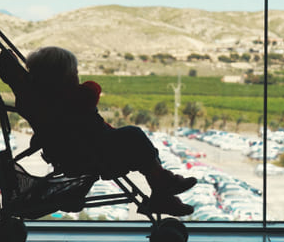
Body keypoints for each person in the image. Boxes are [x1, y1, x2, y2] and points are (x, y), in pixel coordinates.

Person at [18, 46, 196, 216]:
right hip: (94, 154)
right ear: (63, 78)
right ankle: (163, 186)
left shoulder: (43, 105)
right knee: (134, 136)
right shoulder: (72, 98)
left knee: (143, 152)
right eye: (75, 73)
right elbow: (93, 88)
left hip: (83, 154)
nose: (78, 77)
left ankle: (162, 190)